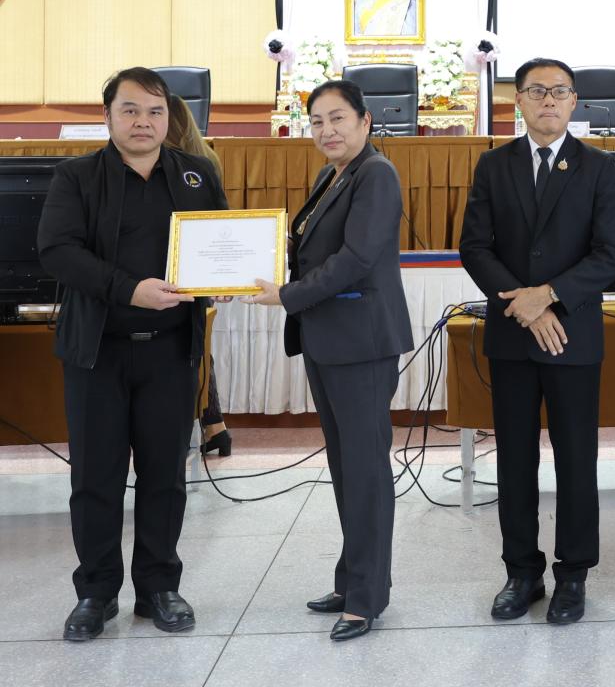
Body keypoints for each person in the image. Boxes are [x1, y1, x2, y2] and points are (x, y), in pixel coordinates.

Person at [37, 67, 227, 642]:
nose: (143, 122)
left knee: (166, 475)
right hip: (97, 353)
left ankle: (159, 587)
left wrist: (228, 279)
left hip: (170, 353)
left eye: (155, 111)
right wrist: (129, 290)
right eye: (131, 110)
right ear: (108, 116)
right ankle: (95, 593)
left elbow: (221, 240)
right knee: (96, 476)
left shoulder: (196, 174)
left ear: (170, 118)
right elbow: (57, 251)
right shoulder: (76, 176)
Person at [459, 57, 615, 625]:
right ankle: (521, 572)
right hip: (513, 337)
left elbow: (612, 252)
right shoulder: (494, 164)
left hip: (572, 336)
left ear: (574, 101)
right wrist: (524, 306)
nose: (548, 101)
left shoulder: (598, 167)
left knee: (577, 460)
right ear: (519, 101)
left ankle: (573, 574)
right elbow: (475, 247)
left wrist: (549, 296)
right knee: (515, 460)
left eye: (559, 92)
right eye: (537, 91)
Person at [247, 78, 413, 642]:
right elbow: (311, 247)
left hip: (361, 343)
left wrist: (288, 295)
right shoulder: (331, 175)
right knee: (345, 469)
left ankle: (366, 598)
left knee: (365, 472)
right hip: (328, 339)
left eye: (338, 118)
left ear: (365, 121)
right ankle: (351, 580)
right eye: (317, 121)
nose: (327, 130)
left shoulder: (377, 174)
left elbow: (357, 258)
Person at [164, 94, 233, 458]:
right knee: (198, 345)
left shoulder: (175, 165)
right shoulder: (207, 158)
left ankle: (211, 424)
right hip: (201, 269)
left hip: (174, 273)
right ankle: (214, 424)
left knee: (190, 349)